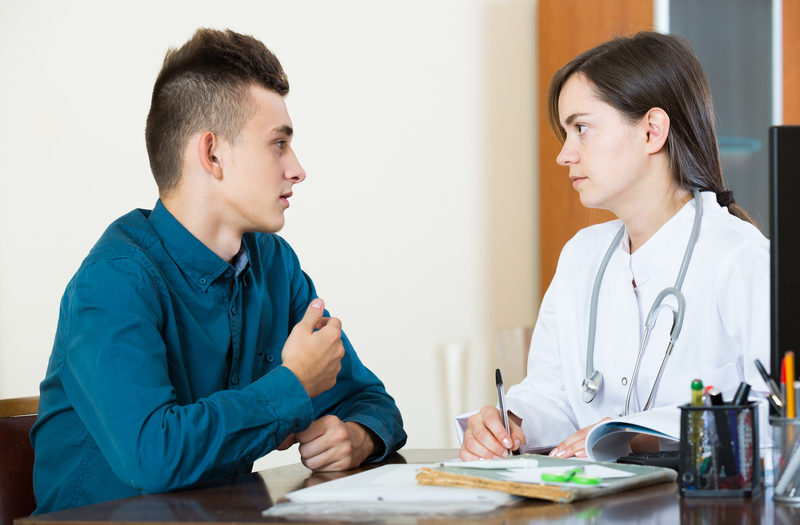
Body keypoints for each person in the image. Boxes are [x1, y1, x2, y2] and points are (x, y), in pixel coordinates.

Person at [30, 28, 406, 513]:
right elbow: (154, 455)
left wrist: (357, 437)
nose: (297, 168)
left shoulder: (274, 264)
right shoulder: (114, 281)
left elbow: (372, 400)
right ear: (212, 154)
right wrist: (292, 385)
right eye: (278, 144)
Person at [458, 32, 769, 461]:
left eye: (581, 129)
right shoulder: (581, 256)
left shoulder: (739, 257)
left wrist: (633, 436)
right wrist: (510, 424)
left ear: (651, 131)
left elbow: (776, 417)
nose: (564, 155)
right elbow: (552, 395)